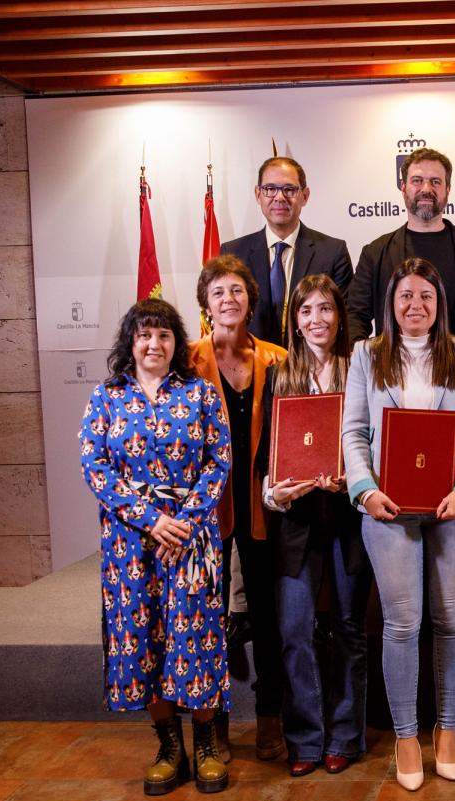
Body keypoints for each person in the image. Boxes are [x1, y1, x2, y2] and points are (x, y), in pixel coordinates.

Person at [342, 257, 455, 791]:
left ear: (439, 303)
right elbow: (354, 432)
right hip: (388, 508)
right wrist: (366, 490)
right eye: (405, 296)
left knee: (451, 619)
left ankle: (446, 731)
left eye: (426, 295)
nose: (415, 305)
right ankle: (407, 735)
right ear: (390, 303)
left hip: (453, 507)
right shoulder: (366, 355)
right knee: (402, 624)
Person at [78, 298, 232, 795]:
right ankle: (169, 747)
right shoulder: (106, 398)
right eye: (145, 334)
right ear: (130, 341)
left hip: (189, 541)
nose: (154, 344)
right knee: (145, 643)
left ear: (176, 344)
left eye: (164, 335)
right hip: (131, 546)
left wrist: (182, 523)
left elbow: (219, 460)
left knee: (196, 639)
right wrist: (151, 520)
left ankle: (207, 742)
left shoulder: (201, 393)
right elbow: (94, 467)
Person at [259, 275, 372, 778]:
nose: (317, 320)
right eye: (306, 311)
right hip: (298, 523)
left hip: (349, 517)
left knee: (350, 629)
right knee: (295, 630)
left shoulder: (361, 371)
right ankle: (305, 739)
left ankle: (345, 737)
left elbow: (377, 440)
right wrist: (272, 493)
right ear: (294, 319)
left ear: (339, 316)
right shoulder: (278, 376)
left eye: (325, 309)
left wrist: (360, 475)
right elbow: (266, 457)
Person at [189, 255, 288, 763]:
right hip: (207, 510)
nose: (229, 299)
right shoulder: (187, 361)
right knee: (208, 618)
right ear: (206, 303)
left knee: (267, 617)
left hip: (264, 506)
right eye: (219, 292)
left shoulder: (278, 358)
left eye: (237, 291)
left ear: (251, 300)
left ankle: (270, 719)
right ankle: (215, 726)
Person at [346, 147, 455, 345]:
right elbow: (355, 316)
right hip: (395, 373)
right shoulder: (375, 254)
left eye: (435, 181)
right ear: (403, 187)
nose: (426, 188)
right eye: (417, 181)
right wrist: (365, 361)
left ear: (447, 189)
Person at [221, 156, 353, 346]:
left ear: (305, 196)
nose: (279, 197)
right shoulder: (233, 253)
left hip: (313, 367)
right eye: (270, 189)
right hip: (252, 368)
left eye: (289, 189)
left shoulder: (332, 252)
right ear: (258, 195)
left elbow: (345, 318)